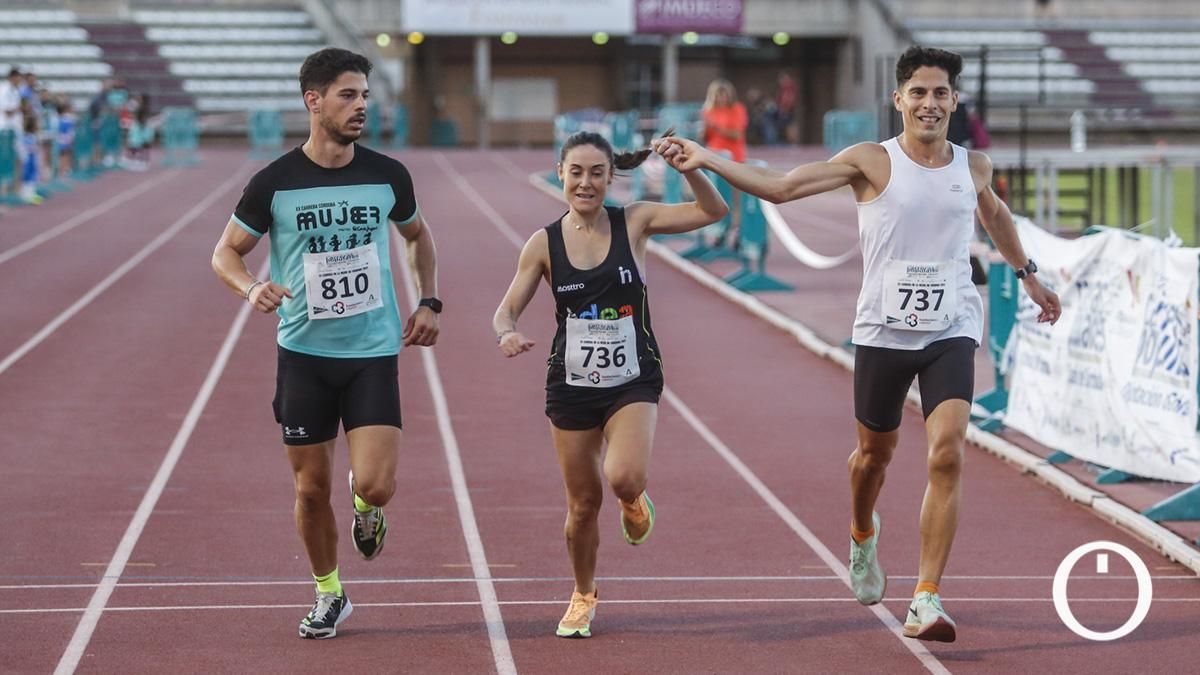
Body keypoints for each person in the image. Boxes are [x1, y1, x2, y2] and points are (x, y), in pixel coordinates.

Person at [654, 45, 1061, 642]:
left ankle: (925, 597)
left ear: (954, 100)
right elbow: (783, 188)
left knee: (947, 452)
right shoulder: (871, 160)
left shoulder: (973, 166)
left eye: (940, 93)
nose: (929, 103)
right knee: (874, 457)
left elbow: (995, 215)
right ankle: (862, 531)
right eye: (918, 93)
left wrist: (1028, 276)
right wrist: (708, 158)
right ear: (899, 99)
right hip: (883, 332)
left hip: (950, 327)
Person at [211, 47, 441, 640]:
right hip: (304, 357)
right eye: (348, 95)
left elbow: (418, 236)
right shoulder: (274, 183)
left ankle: (367, 508)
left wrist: (429, 300)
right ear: (313, 101)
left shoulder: (389, 175)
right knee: (311, 490)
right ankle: (329, 592)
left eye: (365, 95)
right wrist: (251, 287)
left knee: (376, 483)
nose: (362, 105)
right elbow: (225, 253)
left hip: (371, 354)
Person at [492, 130, 727, 639]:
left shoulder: (634, 221)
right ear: (560, 174)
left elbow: (713, 211)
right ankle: (583, 594)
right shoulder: (543, 243)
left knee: (623, 476)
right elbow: (505, 309)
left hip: (632, 379)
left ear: (611, 177)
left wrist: (689, 169)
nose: (586, 183)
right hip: (571, 386)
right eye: (576, 172)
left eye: (597, 173)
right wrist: (506, 332)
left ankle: (634, 499)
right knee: (581, 506)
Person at [701, 79, 747, 248]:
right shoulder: (708, 110)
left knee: (735, 199)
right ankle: (719, 231)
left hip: (734, 159)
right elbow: (706, 137)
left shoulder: (737, 109)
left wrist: (717, 127)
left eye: (724, 95)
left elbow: (737, 134)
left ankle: (737, 232)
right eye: (718, 95)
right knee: (716, 197)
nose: (721, 98)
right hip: (714, 160)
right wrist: (704, 128)